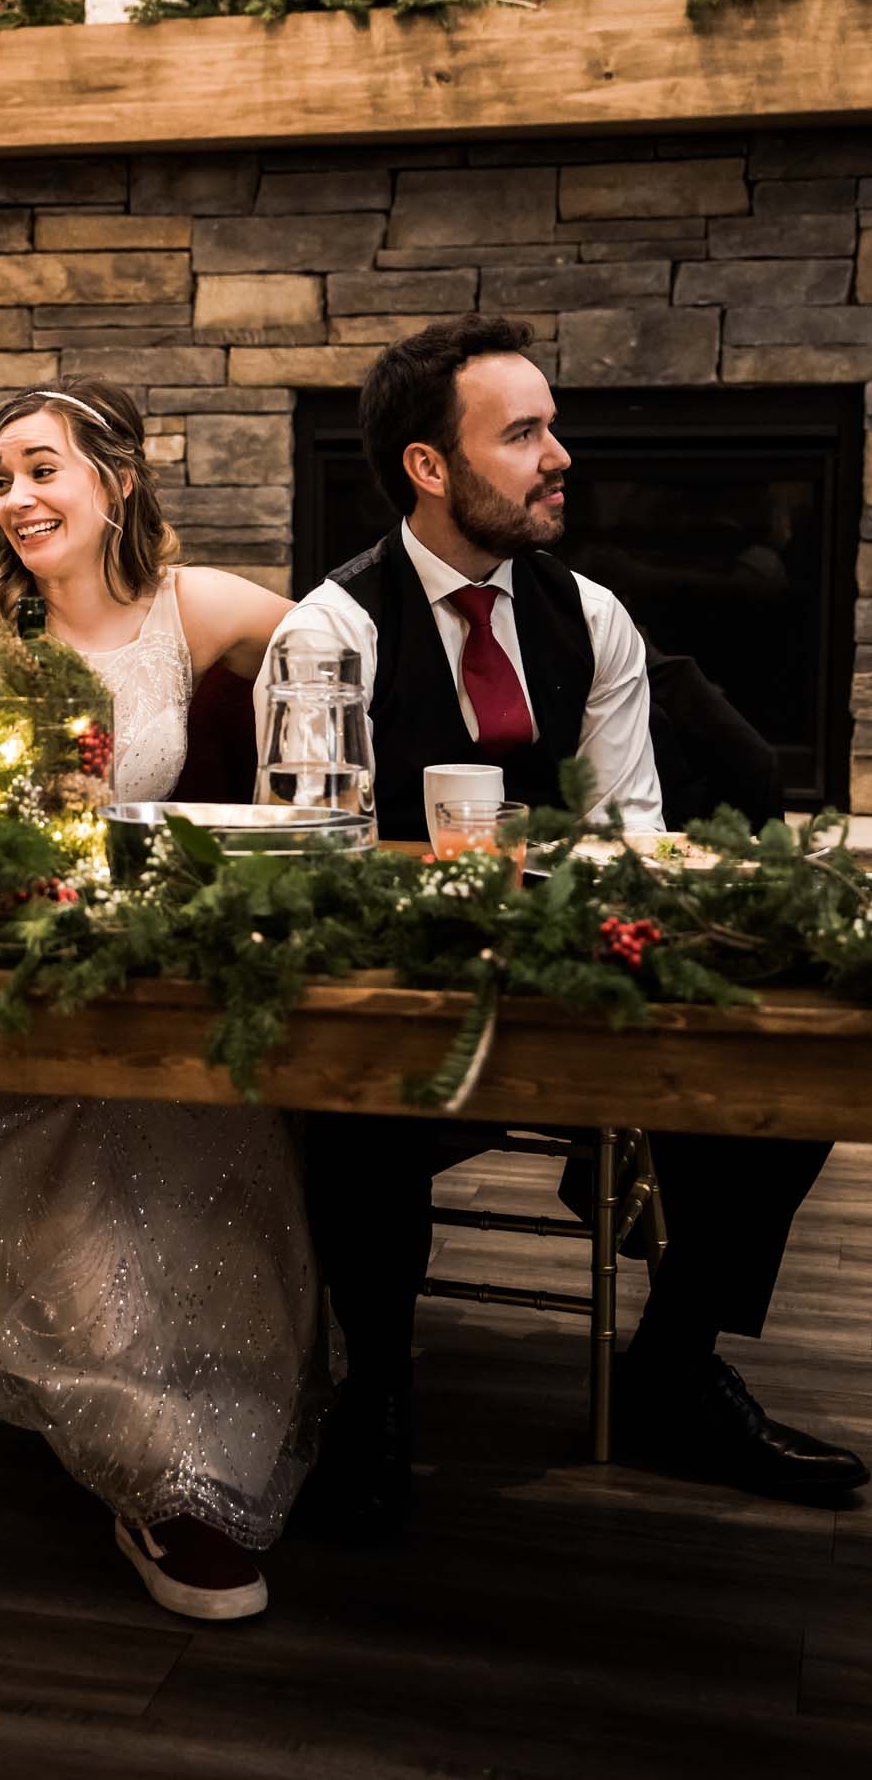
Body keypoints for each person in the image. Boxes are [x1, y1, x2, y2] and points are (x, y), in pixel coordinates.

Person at [259, 315, 867, 1532]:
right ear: (429, 467)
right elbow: (308, 869)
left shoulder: (591, 616)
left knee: (786, 1064)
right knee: (357, 1078)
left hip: (572, 966)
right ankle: (375, 1390)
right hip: (407, 991)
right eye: (523, 432)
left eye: (552, 426)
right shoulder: (328, 633)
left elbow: (630, 827)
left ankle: (673, 1365)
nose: (560, 456)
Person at [0, 378, 322, 1621]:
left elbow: (341, 631)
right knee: (94, 1120)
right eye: (0, 477)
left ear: (117, 479)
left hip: (133, 968)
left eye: (42, 467)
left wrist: (308, 743)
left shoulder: (191, 607)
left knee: (181, 1098)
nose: (16, 496)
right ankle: (151, 1462)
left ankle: (202, 1440)